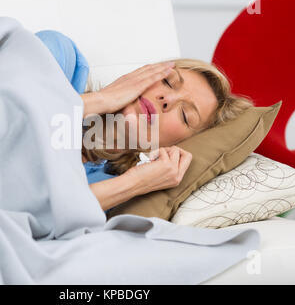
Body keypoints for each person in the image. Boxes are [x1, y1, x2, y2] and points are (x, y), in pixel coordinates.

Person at [35, 30, 254, 213]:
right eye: (168, 82)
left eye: (185, 115)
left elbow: (36, 213)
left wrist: (134, 184)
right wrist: (101, 100)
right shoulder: (61, 61)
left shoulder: (108, 187)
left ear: (175, 146)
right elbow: (4, 112)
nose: (167, 100)